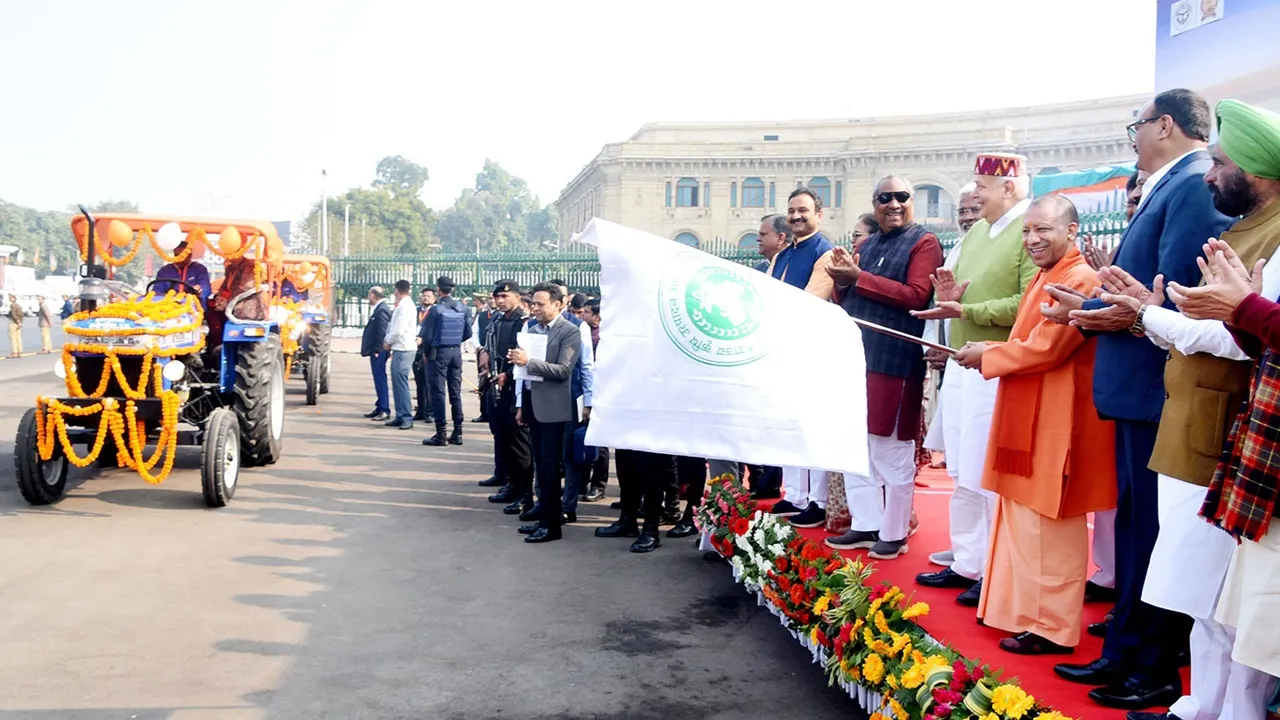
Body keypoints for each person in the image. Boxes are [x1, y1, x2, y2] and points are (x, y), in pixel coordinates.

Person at [1050, 88, 1233, 711]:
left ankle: (1148, 662)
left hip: (1159, 386)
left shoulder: (1192, 183)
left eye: (1137, 126)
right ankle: (1126, 649)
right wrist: (1092, 307)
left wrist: (1107, 312)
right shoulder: (1172, 181)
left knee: (1153, 532)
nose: (1133, 137)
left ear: (1163, 125)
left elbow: (1172, 292)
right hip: (1138, 385)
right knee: (1135, 526)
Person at [1101, 98, 1280, 720]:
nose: (1208, 174)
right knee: (1202, 594)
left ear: (1254, 172)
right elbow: (1219, 322)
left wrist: (1148, 315)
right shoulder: (1245, 228)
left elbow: (1241, 337)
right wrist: (1150, 316)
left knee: (1226, 597)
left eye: (1221, 163)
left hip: (1226, 428)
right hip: (1200, 421)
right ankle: (1203, 704)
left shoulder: (1273, 234)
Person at [947, 195, 1116, 654]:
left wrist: (989, 354)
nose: (1033, 239)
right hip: (1031, 415)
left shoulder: (1079, 277)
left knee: (1051, 527)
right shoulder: (1047, 275)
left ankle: (1055, 628)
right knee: (1023, 521)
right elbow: (1029, 339)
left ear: (1073, 232)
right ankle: (1024, 613)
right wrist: (987, 346)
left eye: (1043, 229)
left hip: (1058, 423)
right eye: (1026, 231)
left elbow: (1050, 348)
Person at [911, 153, 1038, 607]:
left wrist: (967, 311)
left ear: (1009, 187)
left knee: (986, 472)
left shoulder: (1029, 231)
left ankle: (993, 570)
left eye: (981, 187)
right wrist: (951, 301)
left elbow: (1028, 302)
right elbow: (958, 295)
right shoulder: (980, 232)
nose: (973, 195)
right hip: (963, 365)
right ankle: (967, 561)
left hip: (996, 367)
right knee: (963, 468)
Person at [824, 177, 943, 560]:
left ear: (912, 202)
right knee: (856, 447)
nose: (893, 204)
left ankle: (893, 532)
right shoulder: (866, 244)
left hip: (893, 361)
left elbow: (916, 295)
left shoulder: (924, 243)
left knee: (891, 451)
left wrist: (859, 278)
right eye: (884, 198)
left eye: (902, 197)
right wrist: (843, 281)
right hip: (854, 358)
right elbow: (848, 296)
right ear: (874, 204)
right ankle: (864, 523)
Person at [767, 187, 838, 529]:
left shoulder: (825, 252)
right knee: (789, 425)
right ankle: (794, 494)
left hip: (812, 351)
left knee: (812, 427)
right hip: (782, 351)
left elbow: (812, 302)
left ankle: (818, 500)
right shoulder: (782, 255)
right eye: (792, 210)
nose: (796, 216)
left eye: (803, 210)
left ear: (818, 215)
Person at [509, 282, 582, 544]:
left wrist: (528, 361)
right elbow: (525, 369)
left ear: (558, 304)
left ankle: (552, 526)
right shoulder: (532, 328)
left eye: (541, 304)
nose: (535, 308)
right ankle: (543, 516)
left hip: (553, 408)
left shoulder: (569, 332)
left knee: (551, 467)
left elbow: (563, 370)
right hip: (532, 402)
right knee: (541, 465)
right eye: (534, 303)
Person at [483, 281, 536, 516]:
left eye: (505, 296)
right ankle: (511, 484)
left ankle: (525, 495)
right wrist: (484, 354)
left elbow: (527, 358)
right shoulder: (496, 319)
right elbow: (491, 346)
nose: (500, 300)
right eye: (497, 296)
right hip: (496, 385)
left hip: (516, 387)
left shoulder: (525, 322)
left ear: (516, 296)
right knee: (502, 435)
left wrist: (509, 374)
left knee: (519, 444)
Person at [422, 276, 471, 446]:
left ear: (438, 289)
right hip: (456, 352)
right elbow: (468, 333)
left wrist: (427, 353)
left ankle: (441, 434)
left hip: (439, 354)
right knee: (455, 393)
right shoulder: (463, 309)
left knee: (438, 393)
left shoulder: (435, 310)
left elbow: (426, 336)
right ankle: (458, 432)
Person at [582, 299, 610, 502]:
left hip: (603, 391)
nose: (582, 315)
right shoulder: (584, 332)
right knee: (584, 438)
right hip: (588, 390)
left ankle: (598, 484)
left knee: (600, 442)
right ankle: (583, 481)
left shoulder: (605, 336)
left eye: (586, 312)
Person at [383, 280, 418, 430]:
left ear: (397, 290)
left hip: (404, 348)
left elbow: (398, 329)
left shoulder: (405, 306)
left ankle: (406, 416)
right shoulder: (406, 304)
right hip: (401, 347)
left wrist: (388, 341)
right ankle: (400, 414)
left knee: (401, 382)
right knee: (397, 383)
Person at [361, 286, 393, 421]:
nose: (369, 298)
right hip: (377, 350)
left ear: (373, 295)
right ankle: (380, 406)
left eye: (369, 295)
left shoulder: (382, 310)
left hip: (379, 351)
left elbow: (382, 332)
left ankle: (384, 408)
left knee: (380, 379)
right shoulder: (379, 309)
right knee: (378, 378)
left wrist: (377, 349)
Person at [413, 288, 436, 423]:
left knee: (429, 382)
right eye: (424, 296)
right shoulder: (416, 311)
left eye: (428, 296)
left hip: (428, 349)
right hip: (414, 348)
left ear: (434, 298)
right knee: (419, 381)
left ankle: (430, 412)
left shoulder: (435, 312)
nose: (425, 298)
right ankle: (420, 410)